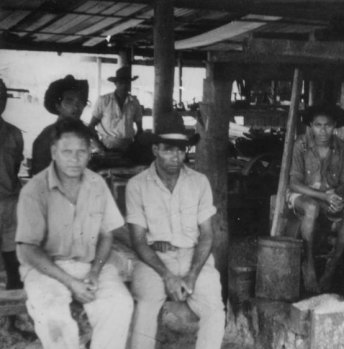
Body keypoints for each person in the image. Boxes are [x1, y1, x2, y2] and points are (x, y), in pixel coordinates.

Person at [15, 118, 133, 349]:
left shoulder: (97, 184)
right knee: (54, 319)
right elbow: (27, 249)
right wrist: (71, 282)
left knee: (120, 304)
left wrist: (96, 272)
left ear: (90, 153)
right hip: (45, 270)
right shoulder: (34, 190)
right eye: (67, 151)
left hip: (91, 266)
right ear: (54, 152)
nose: (75, 158)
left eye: (82, 151)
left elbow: (107, 235)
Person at [126, 113, 223, 349]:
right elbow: (138, 241)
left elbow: (208, 235)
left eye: (181, 150)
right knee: (146, 307)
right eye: (169, 149)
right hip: (153, 260)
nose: (176, 156)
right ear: (155, 149)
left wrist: (191, 274)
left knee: (216, 311)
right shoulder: (137, 185)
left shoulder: (199, 182)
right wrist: (167, 276)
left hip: (193, 257)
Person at [289, 104, 344, 293]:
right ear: (311, 125)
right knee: (312, 208)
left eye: (327, 125)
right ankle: (309, 264)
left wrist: (339, 197)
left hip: (330, 195)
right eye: (318, 125)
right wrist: (324, 196)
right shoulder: (301, 145)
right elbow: (294, 183)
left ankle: (331, 266)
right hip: (304, 195)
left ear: (334, 125)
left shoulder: (342, 148)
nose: (323, 130)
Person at [31, 75, 88, 176]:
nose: (76, 106)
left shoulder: (84, 133)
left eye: (80, 101)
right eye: (69, 101)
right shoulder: (47, 137)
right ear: (58, 106)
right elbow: (39, 177)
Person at [0, 78, 24, 290]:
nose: (0, 100)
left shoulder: (14, 133)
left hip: (9, 202)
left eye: (3, 96)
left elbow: (15, 166)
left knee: (12, 256)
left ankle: (15, 312)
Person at [89, 66, 143, 153]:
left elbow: (140, 130)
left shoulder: (134, 102)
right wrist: (99, 146)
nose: (124, 85)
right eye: (121, 83)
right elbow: (91, 127)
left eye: (127, 82)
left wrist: (135, 146)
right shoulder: (104, 100)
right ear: (115, 84)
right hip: (106, 146)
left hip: (128, 148)